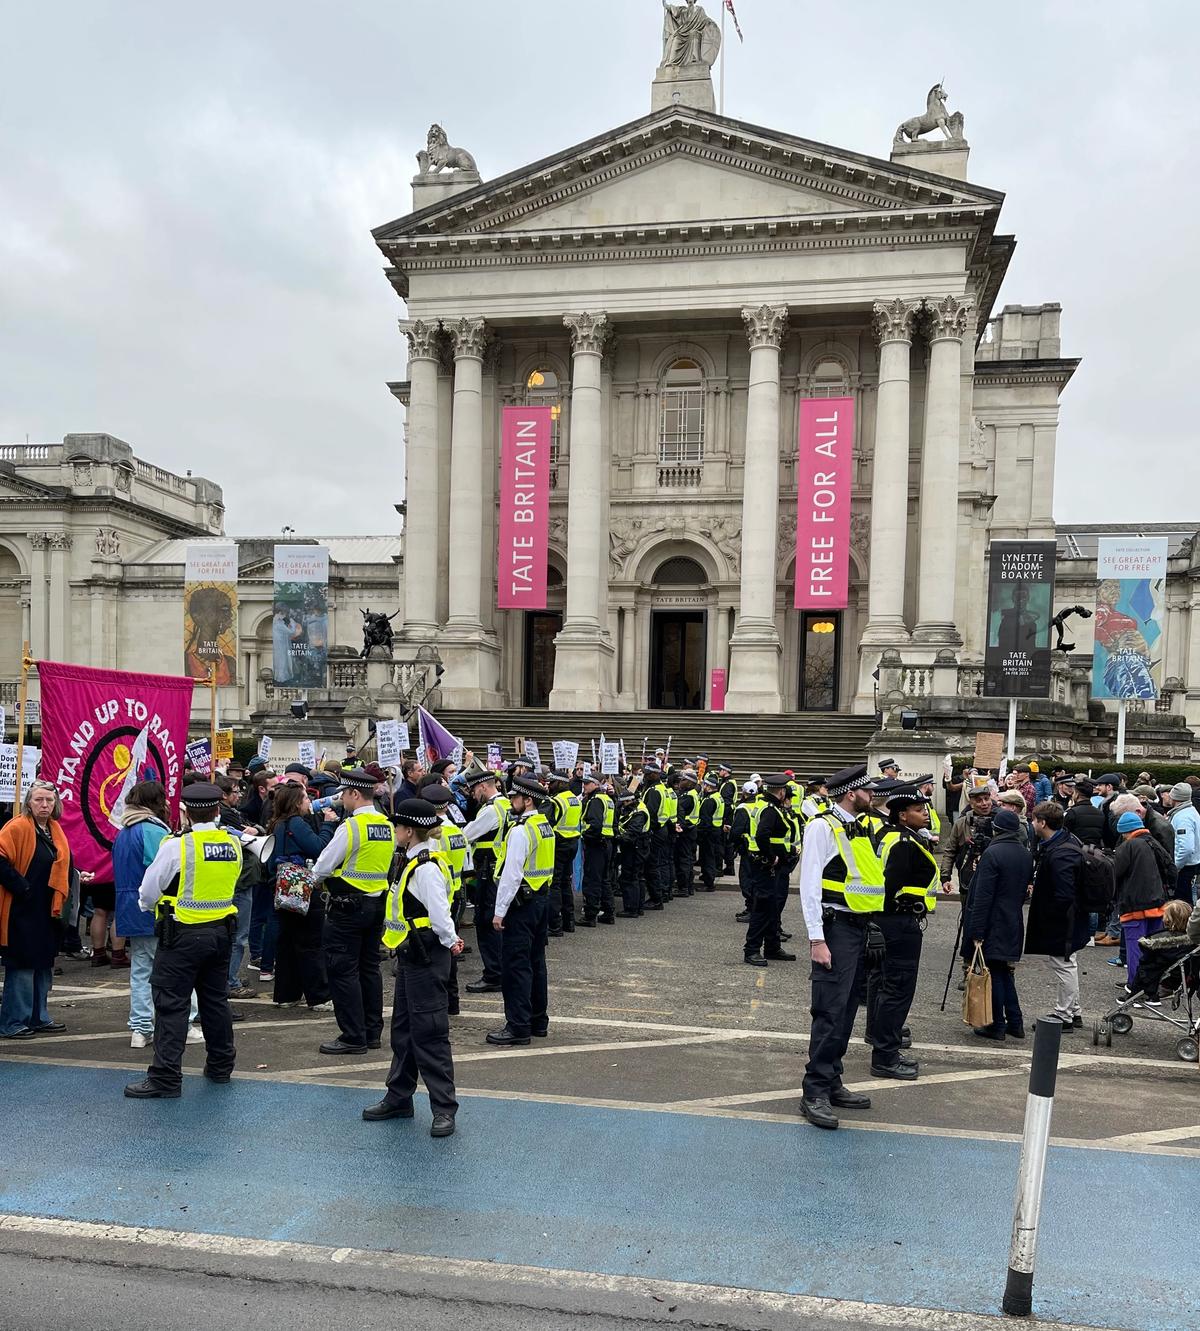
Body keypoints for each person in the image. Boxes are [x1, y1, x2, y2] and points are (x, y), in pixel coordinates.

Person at [124, 784, 241, 1097]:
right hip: (221, 933)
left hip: (182, 934)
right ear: (218, 810)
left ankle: (165, 1078)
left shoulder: (178, 845)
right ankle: (220, 1067)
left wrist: (149, 907)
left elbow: (149, 891)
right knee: (215, 1001)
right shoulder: (233, 843)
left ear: (185, 811)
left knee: (171, 1005)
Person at [362, 798, 464, 1137]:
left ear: (408, 831)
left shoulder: (425, 867)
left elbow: (439, 914)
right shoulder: (409, 861)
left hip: (426, 955)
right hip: (410, 956)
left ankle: (443, 1109)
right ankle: (399, 1097)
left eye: (397, 827)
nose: (393, 832)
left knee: (430, 1034)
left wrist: (451, 941)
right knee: (404, 1031)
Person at [797, 765, 881, 1129]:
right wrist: (817, 938)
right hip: (835, 930)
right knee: (830, 1011)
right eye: (868, 791)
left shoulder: (857, 826)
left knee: (846, 1010)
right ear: (852, 793)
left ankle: (831, 1080)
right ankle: (814, 1090)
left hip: (857, 928)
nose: (872, 796)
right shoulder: (822, 826)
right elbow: (810, 885)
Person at [311, 768, 395, 1055]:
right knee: (369, 968)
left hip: (347, 907)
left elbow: (323, 865)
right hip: (375, 904)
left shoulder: (352, 826)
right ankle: (372, 1032)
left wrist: (317, 877)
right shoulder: (386, 824)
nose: (341, 798)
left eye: (343, 793)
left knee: (342, 970)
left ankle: (352, 1035)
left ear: (354, 794)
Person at [113, 781, 200, 1048]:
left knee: (141, 970)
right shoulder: (152, 831)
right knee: (177, 970)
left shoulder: (124, 831)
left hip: (129, 907)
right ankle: (184, 1024)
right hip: (156, 908)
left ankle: (140, 1029)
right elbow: (162, 872)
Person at [870, 789, 943, 1079]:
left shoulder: (891, 835)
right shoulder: (902, 842)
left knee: (888, 989)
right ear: (902, 814)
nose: (925, 812)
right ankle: (885, 1057)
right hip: (898, 923)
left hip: (893, 921)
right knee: (897, 990)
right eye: (917, 809)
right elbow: (888, 887)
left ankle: (886, 1050)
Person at [0, 780, 72, 1040]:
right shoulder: (18, 826)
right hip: (21, 909)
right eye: (39, 800)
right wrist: (23, 888)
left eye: (49, 800)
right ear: (28, 803)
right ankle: (13, 1021)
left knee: (43, 964)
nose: (44, 804)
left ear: (56, 804)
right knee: (22, 966)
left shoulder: (54, 829)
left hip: (47, 909)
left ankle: (38, 1016)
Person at [488, 774, 555, 1047]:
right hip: (541, 899)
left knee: (516, 967)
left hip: (521, 904)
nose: (510, 801)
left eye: (514, 797)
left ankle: (517, 1026)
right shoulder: (544, 825)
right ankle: (538, 1020)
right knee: (536, 963)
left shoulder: (520, 830)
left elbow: (511, 875)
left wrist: (499, 911)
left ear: (527, 800)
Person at [267, 781, 337, 1010]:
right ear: (297, 802)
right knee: (310, 942)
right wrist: (327, 825)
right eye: (306, 798)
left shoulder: (278, 823)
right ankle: (318, 996)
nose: (309, 802)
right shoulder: (297, 823)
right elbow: (319, 848)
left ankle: (287, 994)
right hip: (303, 889)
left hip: (283, 888)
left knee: (287, 942)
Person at [964, 807, 1031, 1042]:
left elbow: (983, 897)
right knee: (1003, 971)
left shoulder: (993, 854)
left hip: (993, 921)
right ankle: (1015, 1021)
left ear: (996, 829)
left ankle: (997, 1024)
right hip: (1012, 919)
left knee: (992, 972)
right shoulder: (1024, 853)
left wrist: (976, 931)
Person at [1026, 801, 1090, 1031]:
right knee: (1068, 963)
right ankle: (1074, 1011)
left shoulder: (1061, 852)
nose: (1032, 823)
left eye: (1034, 820)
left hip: (1064, 920)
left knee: (1064, 965)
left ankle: (1064, 1016)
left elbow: (1065, 893)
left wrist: (1051, 915)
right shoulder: (1065, 841)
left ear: (1042, 823)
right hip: (1069, 918)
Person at [461, 768, 511, 993]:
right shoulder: (506, 804)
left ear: (483, 786)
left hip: (488, 871)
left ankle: (494, 974)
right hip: (499, 869)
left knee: (485, 922)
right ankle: (500, 971)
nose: (472, 794)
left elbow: (466, 835)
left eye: (473, 790)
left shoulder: (490, 810)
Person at [1112, 810, 1171, 993]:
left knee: (1134, 947)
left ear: (1125, 832)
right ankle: (1151, 987)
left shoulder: (1127, 847)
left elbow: (1115, 873)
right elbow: (1170, 868)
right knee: (1153, 948)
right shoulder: (1155, 843)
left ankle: (1135, 986)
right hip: (1158, 903)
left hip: (1134, 905)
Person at [546, 773, 581, 935]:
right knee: (566, 883)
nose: (549, 785)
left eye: (552, 782)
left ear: (559, 783)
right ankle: (569, 921)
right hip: (572, 843)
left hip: (559, 844)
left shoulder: (556, 801)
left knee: (555, 885)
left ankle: (555, 925)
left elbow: (548, 823)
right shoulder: (574, 799)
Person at [578, 773, 615, 927]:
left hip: (596, 844)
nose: (584, 786)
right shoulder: (607, 799)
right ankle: (608, 912)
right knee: (604, 879)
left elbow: (595, 824)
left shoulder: (596, 800)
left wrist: (586, 835)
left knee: (592, 880)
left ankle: (590, 915)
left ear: (596, 785)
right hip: (607, 842)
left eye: (587, 783)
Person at [616, 789, 650, 917]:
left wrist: (618, 838)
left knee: (630, 877)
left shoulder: (638, 813)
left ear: (630, 800)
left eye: (624, 803)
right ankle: (638, 907)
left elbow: (632, 834)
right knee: (638, 877)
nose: (622, 805)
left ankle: (631, 909)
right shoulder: (637, 808)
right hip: (639, 847)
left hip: (635, 848)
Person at [1166, 781, 1200, 904]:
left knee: (1184, 905)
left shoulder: (1183, 817)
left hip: (1185, 869)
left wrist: (1176, 867)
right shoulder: (1190, 811)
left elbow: (1186, 848)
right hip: (1190, 866)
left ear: (1175, 797)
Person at [673, 769, 700, 898]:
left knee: (683, 860)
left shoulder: (689, 796)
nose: (680, 782)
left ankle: (683, 887)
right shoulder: (690, 793)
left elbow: (678, 809)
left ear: (690, 783)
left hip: (686, 831)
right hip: (690, 830)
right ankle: (688, 887)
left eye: (683, 780)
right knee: (687, 860)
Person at [697, 774, 725, 893]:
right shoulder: (719, 796)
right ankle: (707, 877)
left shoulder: (709, 800)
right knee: (711, 855)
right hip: (716, 830)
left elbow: (705, 819)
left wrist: (701, 833)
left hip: (709, 831)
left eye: (705, 785)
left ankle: (709, 883)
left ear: (709, 787)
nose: (703, 787)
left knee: (708, 856)